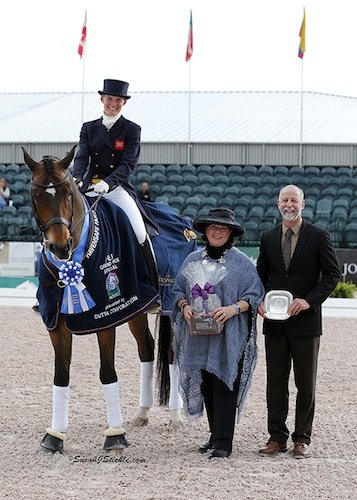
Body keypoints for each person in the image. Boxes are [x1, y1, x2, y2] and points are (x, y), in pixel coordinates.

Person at [171, 208, 264, 459]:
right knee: (208, 385)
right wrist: (185, 306)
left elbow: (255, 295)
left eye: (222, 228)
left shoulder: (241, 263)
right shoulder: (191, 260)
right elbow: (178, 291)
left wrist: (233, 309)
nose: (217, 231)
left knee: (225, 384)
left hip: (229, 336)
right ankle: (214, 436)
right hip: (199, 336)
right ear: (205, 231)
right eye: (213, 227)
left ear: (231, 232)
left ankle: (225, 442)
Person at [257, 184, 340, 459]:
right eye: (284, 200)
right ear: (278, 204)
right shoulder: (268, 238)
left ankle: (301, 438)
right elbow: (260, 276)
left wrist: (309, 301)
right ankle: (276, 438)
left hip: (306, 323)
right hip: (276, 323)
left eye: (294, 200)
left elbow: (332, 275)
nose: (289, 204)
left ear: (302, 204)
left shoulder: (318, 236)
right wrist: (258, 300)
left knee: (306, 384)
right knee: (275, 383)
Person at [72, 79, 158, 293]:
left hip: (117, 188)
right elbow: (82, 157)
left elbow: (128, 164)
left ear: (124, 103)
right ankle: (54, 289)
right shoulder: (89, 128)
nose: (113, 103)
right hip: (90, 187)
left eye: (118, 100)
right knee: (65, 228)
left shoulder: (131, 129)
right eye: (109, 98)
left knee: (140, 232)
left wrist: (108, 183)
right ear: (102, 99)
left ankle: (152, 287)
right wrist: (76, 178)